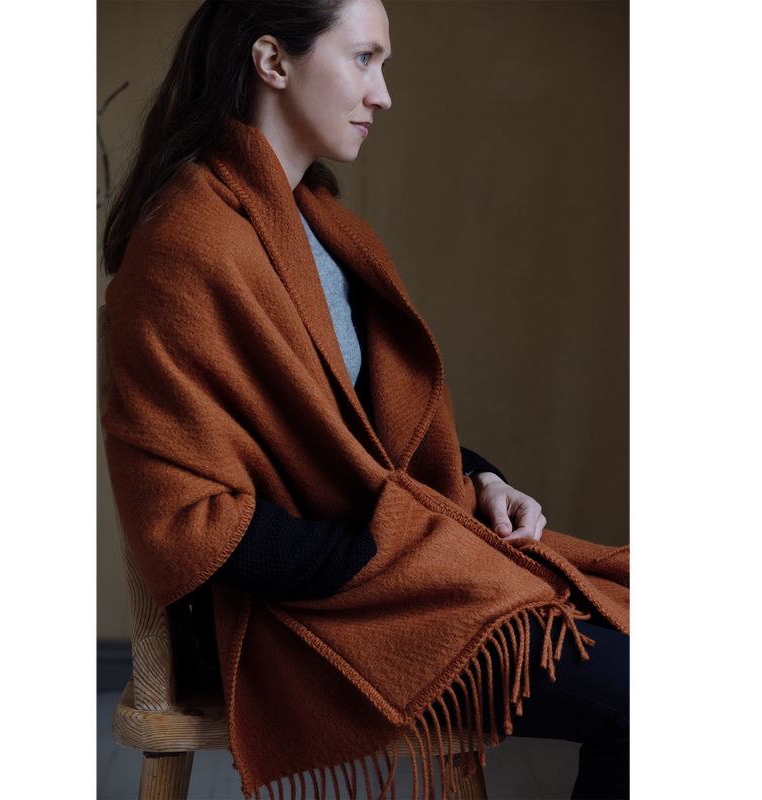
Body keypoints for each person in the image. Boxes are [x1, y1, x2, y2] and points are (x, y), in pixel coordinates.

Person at [100, 1, 632, 799]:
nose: (382, 93)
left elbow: (359, 438)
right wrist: (392, 556)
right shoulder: (187, 243)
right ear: (273, 62)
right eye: (364, 59)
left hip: (389, 572)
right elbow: (188, 522)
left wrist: (479, 482)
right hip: (296, 616)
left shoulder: (316, 226)